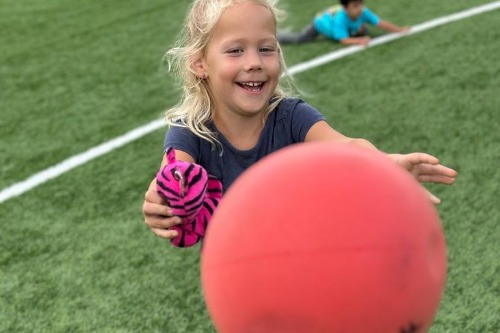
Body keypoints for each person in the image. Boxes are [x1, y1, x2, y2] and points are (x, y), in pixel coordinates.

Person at [142, 0, 456, 240]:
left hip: (310, 258)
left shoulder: (290, 116)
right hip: (239, 277)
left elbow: (345, 145)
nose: (254, 63)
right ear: (200, 64)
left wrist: (383, 163)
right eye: (235, 50)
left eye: (266, 49)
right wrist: (160, 201)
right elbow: (173, 176)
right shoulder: (189, 131)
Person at [278, 0, 410, 46]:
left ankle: (355, 30)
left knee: (363, 30)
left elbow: (379, 22)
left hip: (332, 19)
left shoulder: (363, 11)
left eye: (360, 4)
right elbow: (343, 40)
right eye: (355, 6)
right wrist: (359, 41)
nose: (359, 8)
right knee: (299, 39)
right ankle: (278, 36)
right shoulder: (340, 19)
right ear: (345, 8)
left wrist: (399, 30)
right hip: (320, 23)